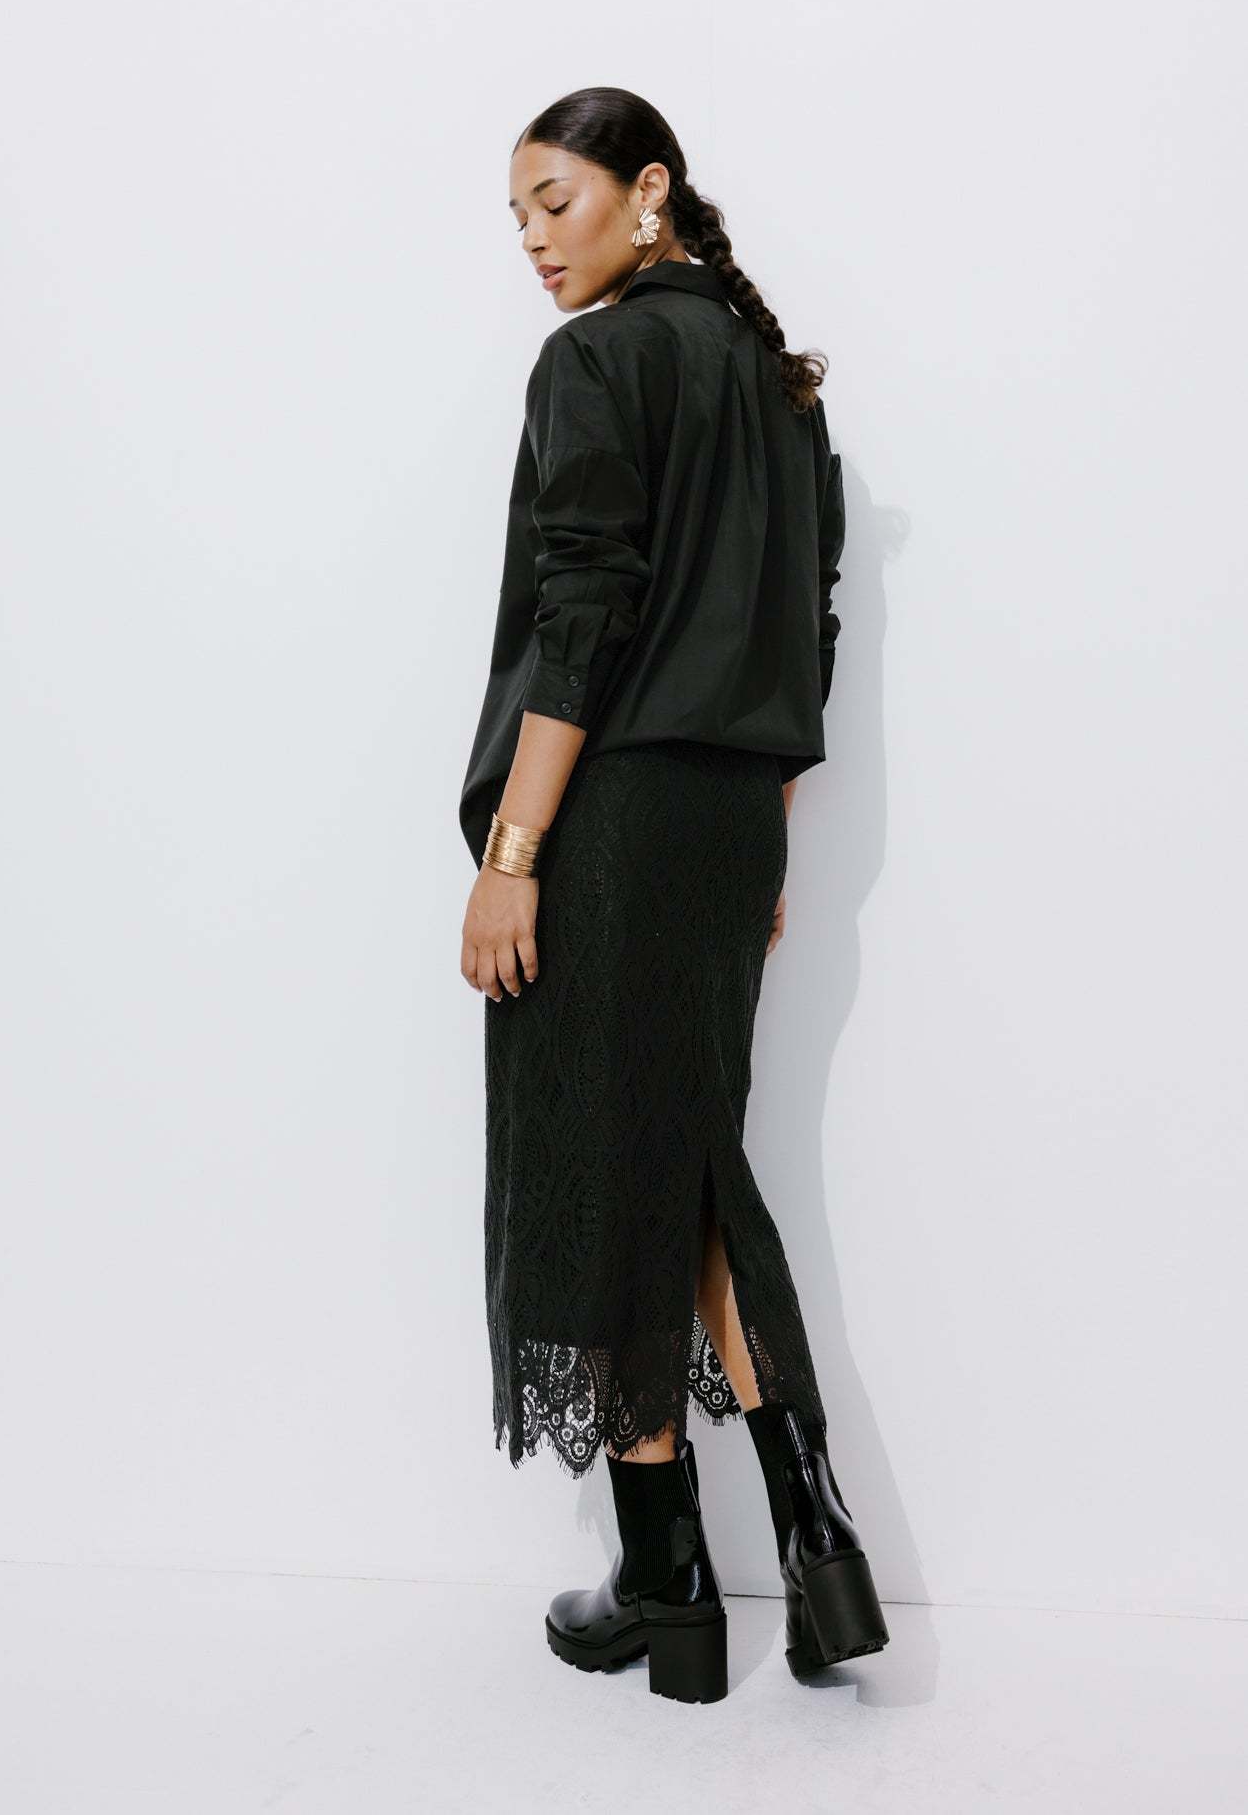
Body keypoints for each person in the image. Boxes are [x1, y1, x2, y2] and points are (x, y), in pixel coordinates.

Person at [458, 86, 886, 1704]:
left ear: (649, 191)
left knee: (610, 1167)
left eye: (553, 201)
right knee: (688, 1164)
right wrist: (759, 833)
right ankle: (810, 1541)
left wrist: (513, 855)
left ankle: (673, 1581)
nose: (532, 239)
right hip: (728, 827)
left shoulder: (600, 360)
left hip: (616, 814)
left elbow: (581, 619)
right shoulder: (782, 389)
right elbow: (801, 631)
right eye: (515, 215)